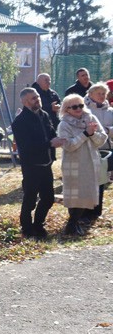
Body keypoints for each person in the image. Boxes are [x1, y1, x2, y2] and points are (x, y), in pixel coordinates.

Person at [11, 88, 63, 239]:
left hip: (46, 164)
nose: (37, 100)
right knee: (30, 199)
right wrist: (49, 144)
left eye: (38, 97)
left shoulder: (44, 115)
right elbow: (27, 148)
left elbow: (51, 133)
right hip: (31, 166)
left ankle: (38, 224)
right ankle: (26, 228)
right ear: (25, 101)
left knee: (48, 198)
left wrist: (60, 139)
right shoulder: (19, 122)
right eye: (34, 98)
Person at [57, 93, 108, 235]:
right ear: (67, 109)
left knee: (87, 193)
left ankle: (74, 223)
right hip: (73, 164)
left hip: (91, 162)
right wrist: (86, 134)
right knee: (75, 196)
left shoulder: (90, 118)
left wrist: (92, 134)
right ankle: (72, 224)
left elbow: (101, 139)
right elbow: (69, 146)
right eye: (75, 107)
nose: (79, 109)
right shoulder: (64, 124)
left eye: (81, 105)